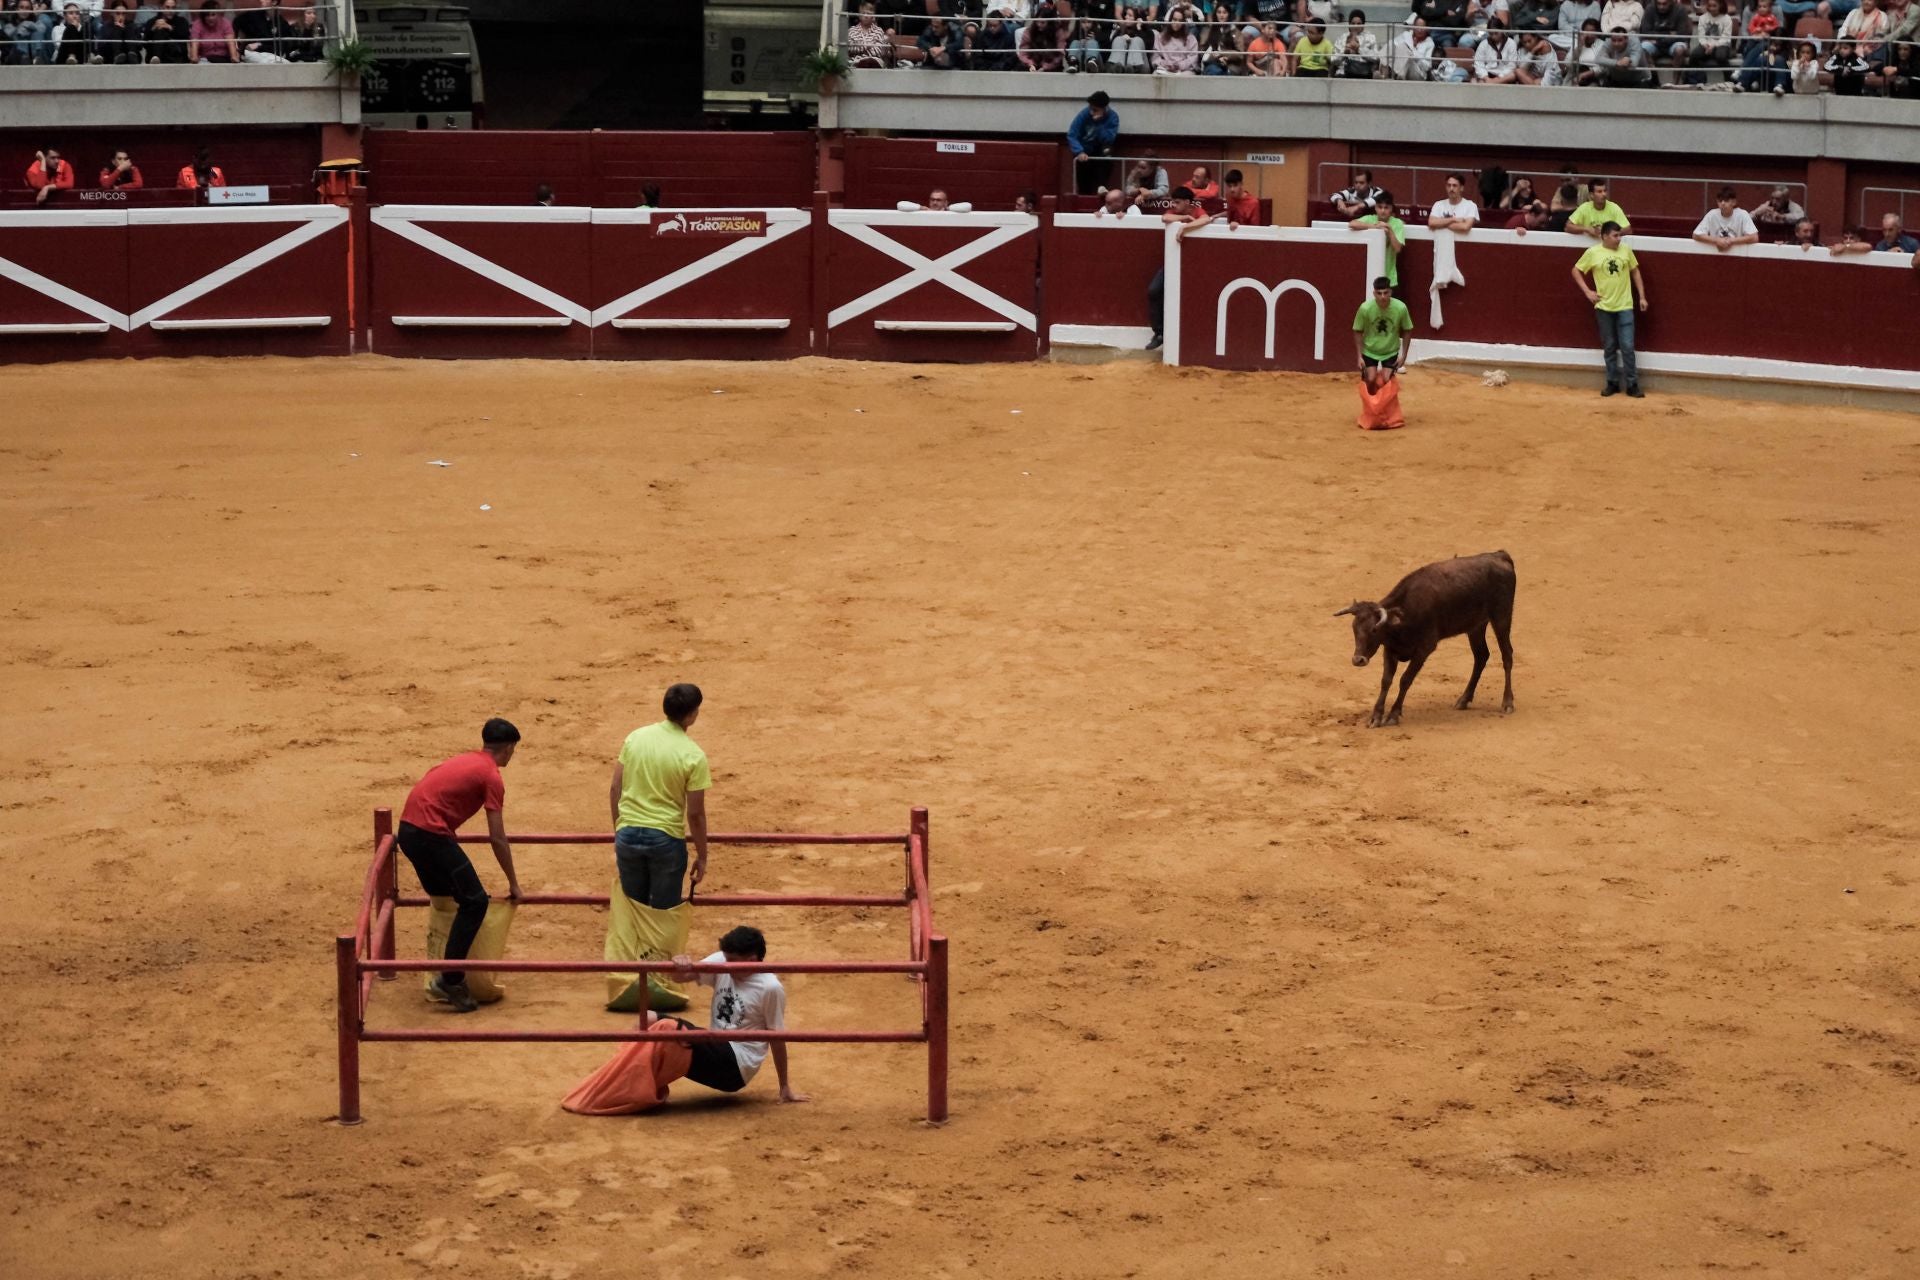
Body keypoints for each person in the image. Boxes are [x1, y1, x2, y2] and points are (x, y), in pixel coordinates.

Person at [397, 719, 524, 1013]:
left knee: (448, 898)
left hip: (409, 832)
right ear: (509, 749)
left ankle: (442, 971)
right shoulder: (491, 776)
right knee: (475, 902)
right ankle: (451, 978)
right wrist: (513, 883)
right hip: (431, 836)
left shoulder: (465, 760)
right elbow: (497, 837)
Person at [663, 926, 808, 1104]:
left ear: (752, 960)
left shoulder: (770, 987)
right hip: (715, 1048)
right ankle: (635, 1085)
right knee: (652, 1019)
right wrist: (677, 966)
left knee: (669, 1030)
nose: (726, 965)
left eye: (732, 960)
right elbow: (681, 977)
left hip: (736, 1066)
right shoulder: (722, 960)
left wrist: (784, 1085)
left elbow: (776, 1038)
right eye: (726, 958)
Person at [610, 684, 713, 916]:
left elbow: (615, 788)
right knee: (663, 914)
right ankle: (658, 953)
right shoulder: (693, 755)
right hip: (665, 840)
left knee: (633, 912)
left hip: (628, 834)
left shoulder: (635, 738)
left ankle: (632, 953)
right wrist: (703, 856)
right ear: (692, 715)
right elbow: (695, 815)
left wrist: (620, 829)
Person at [1571, 221, 1648, 398]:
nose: (1619, 239)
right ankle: (1612, 382)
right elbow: (1575, 270)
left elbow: (1635, 271)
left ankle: (1632, 383)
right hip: (1604, 306)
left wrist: (1642, 296)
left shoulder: (1626, 250)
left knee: (1628, 346)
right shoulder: (1593, 252)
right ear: (1604, 236)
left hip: (1625, 305)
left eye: (1620, 235)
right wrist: (1587, 292)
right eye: (1615, 235)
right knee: (1610, 346)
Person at [1146, 186, 1215, 350]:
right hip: (1172, 261)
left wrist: (1184, 227)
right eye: (1173, 202)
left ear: (1187, 202)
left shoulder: (1198, 211)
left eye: (1177, 202)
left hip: (1194, 266)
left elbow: (1205, 220)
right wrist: (1184, 217)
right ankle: (1160, 332)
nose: (1174, 205)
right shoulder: (1178, 212)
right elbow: (1165, 218)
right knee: (1154, 291)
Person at [1353, 275, 1414, 387]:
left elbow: (1407, 330)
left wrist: (1404, 355)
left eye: (1386, 293)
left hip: (1390, 350)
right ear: (1374, 293)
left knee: (1386, 380)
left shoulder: (1401, 308)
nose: (1383, 297)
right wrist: (1359, 356)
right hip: (1370, 350)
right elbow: (1357, 330)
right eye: (1379, 293)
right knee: (1370, 380)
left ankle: (1385, 403)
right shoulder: (1365, 308)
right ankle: (1372, 403)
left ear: (1390, 292)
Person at [1349, 191, 1407, 293]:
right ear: (1375, 208)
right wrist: (1374, 227)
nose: (1383, 211)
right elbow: (1352, 224)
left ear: (1391, 209)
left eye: (1386, 207)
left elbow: (1398, 248)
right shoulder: (1370, 219)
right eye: (1380, 207)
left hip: (1389, 277)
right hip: (1369, 274)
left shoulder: (1397, 223)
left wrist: (1389, 230)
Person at [1067, 90, 1120, 196]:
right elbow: (1072, 134)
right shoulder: (1084, 114)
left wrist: (1099, 124)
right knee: (1082, 168)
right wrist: (1079, 151)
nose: (1091, 112)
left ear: (1104, 109)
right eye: (1091, 108)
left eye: (1095, 110)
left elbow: (1109, 139)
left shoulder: (1112, 117)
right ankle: (1083, 192)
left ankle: (1102, 186)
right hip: (1085, 149)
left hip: (1101, 149)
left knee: (1107, 152)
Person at [1691, 186, 1759, 250]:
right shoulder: (1712, 214)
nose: (1723, 203)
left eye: (1726, 200)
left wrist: (1731, 241)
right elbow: (1696, 235)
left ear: (1734, 202)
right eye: (1720, 201)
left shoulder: (1742, 214)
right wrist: (1716, 240)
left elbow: (1754, 237)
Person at [1832, 212, 1920, 252]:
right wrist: (1888, 254)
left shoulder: (1912, 244)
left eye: (1891, 230)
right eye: (1884, 230)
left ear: (1899, 229)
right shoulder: (1880, 246)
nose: (1887, 234)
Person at [847, 1, 894, 67]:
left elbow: (877, 51)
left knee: (870, 62)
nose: (866, 16)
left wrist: (860, 46)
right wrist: (868, 45)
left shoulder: (878, 31)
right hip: (855, 62)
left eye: (868, 13)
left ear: (873, 16)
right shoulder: (852, 30)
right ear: (859, 15)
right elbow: (850, 48)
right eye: (863, 13)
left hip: (874, 62)